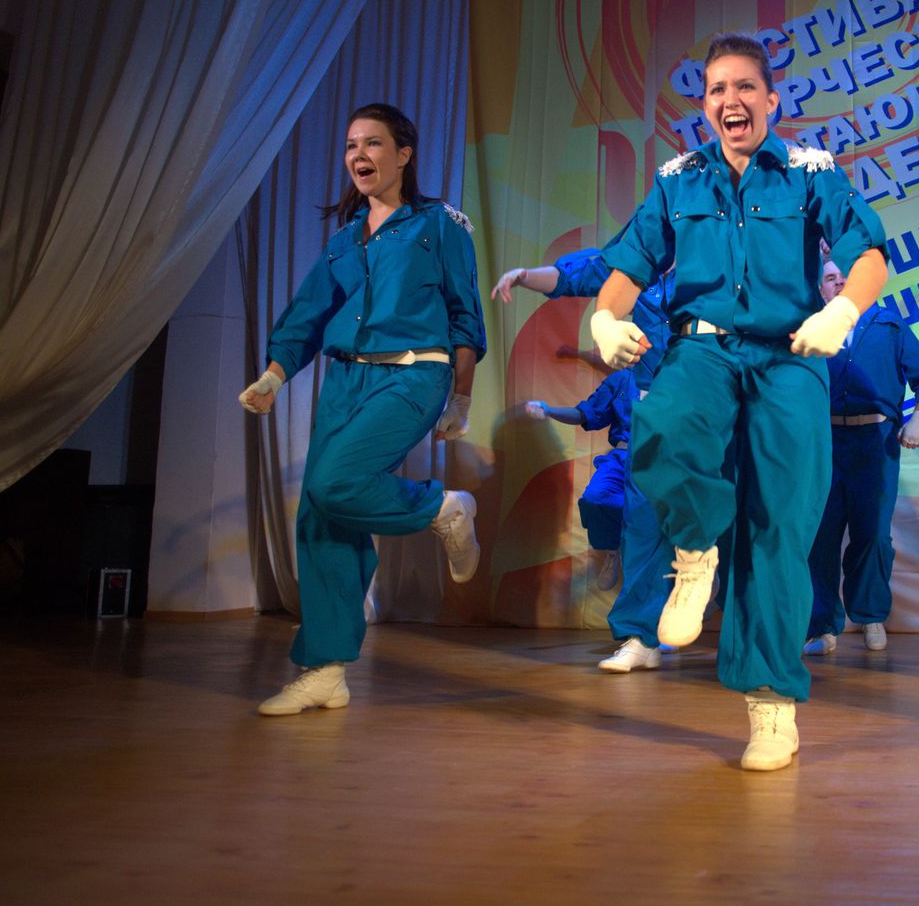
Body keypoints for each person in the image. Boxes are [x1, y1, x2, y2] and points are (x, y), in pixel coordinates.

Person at [588, 32, 887, 770]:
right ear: (705, 106)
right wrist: (604, 317)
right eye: (718, 89)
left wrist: (844, 309)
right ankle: (695, 551)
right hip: (704, 348)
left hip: (791, 356)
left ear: (771, 100)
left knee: (779, 526)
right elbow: (629, 264)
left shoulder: (811, 172)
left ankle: (772, 707)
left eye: (745, 86)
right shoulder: (679, 180)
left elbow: (869, 254)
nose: (732, 100)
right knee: (660, 428)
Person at [241, 103, 486, 716]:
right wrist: (273, 376)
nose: (359, 155)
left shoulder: (439, 223)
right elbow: (306, 316)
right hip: (345, 379)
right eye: (352, 145)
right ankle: (325, 670)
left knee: (335, 482)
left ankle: (442, 507)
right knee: (321, 514)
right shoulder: (344, 241)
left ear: (403, 155)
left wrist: (460, 395)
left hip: (415, 373)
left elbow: (465, 313)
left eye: (373, 143)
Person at [497, 250, 676, 672]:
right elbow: (584, 273)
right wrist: (525, 274)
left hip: (715, 404)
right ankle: (640, 636)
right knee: (643, 523)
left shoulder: (719, 253)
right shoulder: (642, 260)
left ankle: (740, 625)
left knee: (732, 522)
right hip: (654, 414)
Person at [803, 259, 919, 655]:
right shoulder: (810, 326)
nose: (839, 283)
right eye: (830, 278)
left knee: (874, 533)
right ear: (820, 288)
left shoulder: (889, 325)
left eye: (845, 278)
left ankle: (870, 614)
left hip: (875, 442)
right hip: (823, 442)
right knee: (820, 535)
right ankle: (822, 625)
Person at [524, 367, 637, 591]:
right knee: (596, 498)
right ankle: (613, 548)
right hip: (624, 456)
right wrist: (549, 411)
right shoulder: (624, 379)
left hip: (663, 458)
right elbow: (585, 413)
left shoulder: (677, 374)